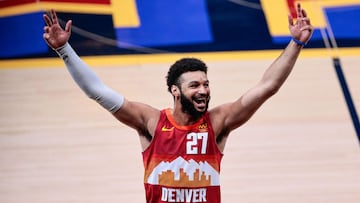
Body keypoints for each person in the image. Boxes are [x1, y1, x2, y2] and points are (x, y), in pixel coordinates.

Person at [43, 3, 313, 203]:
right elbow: (97, 91)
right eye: (195, 85)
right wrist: (64, 50)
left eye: (206, 84)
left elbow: (268, 87)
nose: (204, 90)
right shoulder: (151, 121)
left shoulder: (217, 122)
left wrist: (295, 44)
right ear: (175, 91)